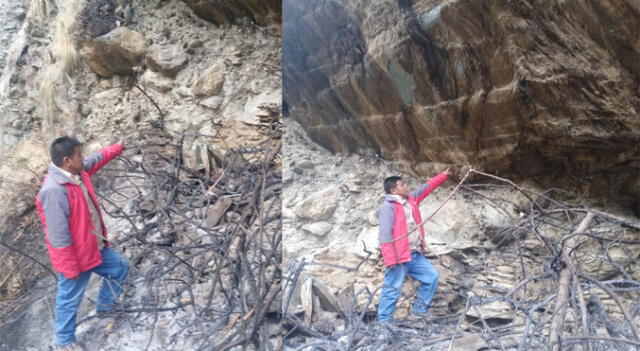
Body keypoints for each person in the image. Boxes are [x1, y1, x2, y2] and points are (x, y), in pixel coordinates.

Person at [35, 137, 128, 350]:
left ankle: (105, 307)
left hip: (95, 247)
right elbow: (58, 236)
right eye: (79, 155)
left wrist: (117, 148)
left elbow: (96, 159)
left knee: (120, 267)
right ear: (67, 160)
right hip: (77, 257)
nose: (83, 158)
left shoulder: (77, 172)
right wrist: (69, 267)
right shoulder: (54, 190)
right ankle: (64, 341)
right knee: (69, 299)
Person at [376, 169, 450, 323]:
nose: (406, 187)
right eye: (402, 185)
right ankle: (383, 324)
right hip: (399, 259)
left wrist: (443, 176)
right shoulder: (387, 208)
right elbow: (385, 237)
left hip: (414, 255)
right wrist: (390, 261)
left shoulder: (411, 200)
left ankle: (418, 314)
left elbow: (426, 188)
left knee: (431, 277)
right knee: (391, 290)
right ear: (394, 190)